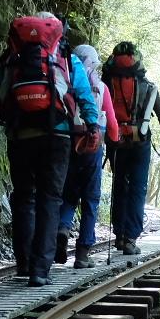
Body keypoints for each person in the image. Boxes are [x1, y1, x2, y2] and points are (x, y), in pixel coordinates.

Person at [0, 14, 101, 285]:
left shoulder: (13, 57)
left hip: (19, 134)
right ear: (56, 32)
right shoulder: (65, 57)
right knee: (50, 199)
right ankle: (40, 271)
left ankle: (24, 263)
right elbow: (84, 94)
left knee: (23, 198)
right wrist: (91, 125)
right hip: (56, 135)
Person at [101, 41, 160, 255]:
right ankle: (131, 238)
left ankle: (120, 235)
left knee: (120, 185)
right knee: (137, 188)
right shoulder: (146, 85)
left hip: (115, 141)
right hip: (139, 140)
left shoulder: (106, 81)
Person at [58, 43, 119, 268]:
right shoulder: (100, 88)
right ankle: (83, 254)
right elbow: (112, 126)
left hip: (68, 145)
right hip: (93, 148)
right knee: (91, 200)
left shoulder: (64, 81)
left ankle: (62, 229)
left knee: (68, 195)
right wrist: (116, 140)